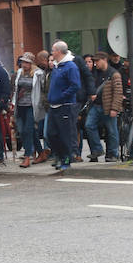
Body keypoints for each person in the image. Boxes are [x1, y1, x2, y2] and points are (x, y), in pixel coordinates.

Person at [46, 41, 81, 173]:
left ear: (59, 52)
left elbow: (75, 85)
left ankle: (66, 159)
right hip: (53, 106)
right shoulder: (56, 66)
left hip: (65, 106)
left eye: (53, 50)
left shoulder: (70, 67)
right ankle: (60, 156)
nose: (52, 53)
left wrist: (62, 96)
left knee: (65, 135)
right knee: (51, 134)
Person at [84, 54, 121, 162]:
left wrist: (115, 108)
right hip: (96, 105)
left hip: (108, 106)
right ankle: (97, 149)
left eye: (97, 61)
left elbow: (118, 92)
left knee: (112, 130)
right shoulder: (95, 73)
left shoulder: (113, 74)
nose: (96, 64)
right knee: (89, 125)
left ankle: (114, 153)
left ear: (104, 60)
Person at [11, 54, 41, 168]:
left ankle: (27, 157)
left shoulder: (38, 74)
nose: (24, 64)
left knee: (28, 131)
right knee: (23, 130)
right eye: (23, 62)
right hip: (20, 105)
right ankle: (41, 152)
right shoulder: (19, 73)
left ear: (32, 63)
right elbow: (15, 89)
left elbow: (40, 90)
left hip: (31, 106)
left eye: (27, 62)